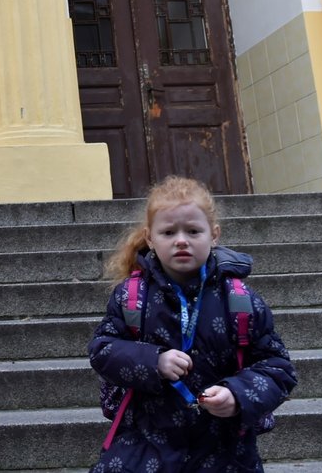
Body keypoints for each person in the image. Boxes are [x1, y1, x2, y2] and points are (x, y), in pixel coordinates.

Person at [88, 176, 297, 472]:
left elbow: (277, 367)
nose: (181, 240)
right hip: (145, 446)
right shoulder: (131, 298)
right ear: (150, 238)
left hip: (224, 451)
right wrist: (153, 361)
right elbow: (102, 350)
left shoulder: (240, 300)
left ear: (214, 235)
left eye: (193, 231)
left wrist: (237, 394)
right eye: (169, 232)